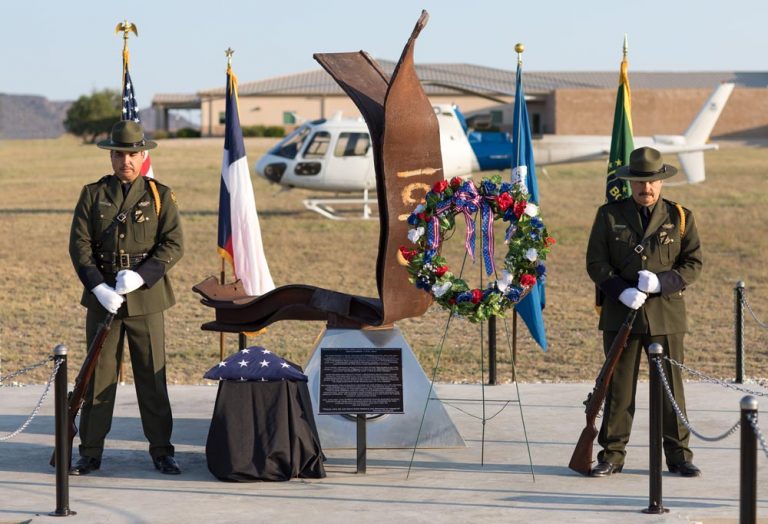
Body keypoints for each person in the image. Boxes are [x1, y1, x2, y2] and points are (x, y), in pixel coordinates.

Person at [68, 120, 184, 475]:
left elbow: (174, 243)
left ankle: (162, 450)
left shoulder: (160, 195)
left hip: (145, 299)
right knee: (98, 377)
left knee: (151, 376)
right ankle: (90, 451)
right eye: (120, 153)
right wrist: (97, 287)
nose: (126, 161)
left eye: (133, 153)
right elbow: (80, 245)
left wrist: (142, 276)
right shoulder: (93, 194)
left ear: (143, 154)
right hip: (104, 299)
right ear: (112, 155)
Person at [586, 146, 703, 478]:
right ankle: (611, 455)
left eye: (651, 182)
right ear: (629, 182)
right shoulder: (608, 215)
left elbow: (693, 263)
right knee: (618, 386)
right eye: (639, 182)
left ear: (661, 182)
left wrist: (662, 283)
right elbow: (595, 262)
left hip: (666, 313)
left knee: (670, 388)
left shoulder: (681, 217)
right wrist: (619, 290)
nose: (645, 189)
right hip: (621, 312)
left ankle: (679, 456)